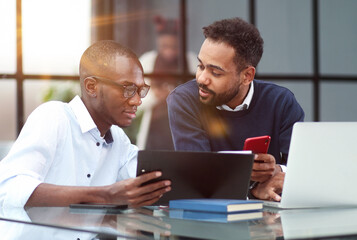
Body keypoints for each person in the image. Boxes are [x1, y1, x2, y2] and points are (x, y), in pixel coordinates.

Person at [0, 40, 171, 208]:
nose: (137, 101)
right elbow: (9, 187)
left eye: (141, 90)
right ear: (91, 87)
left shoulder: (118, 140)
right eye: (128, 88)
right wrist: (105, 196)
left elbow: (156, 182)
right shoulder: (54, 117)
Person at [166, 18, 304, 201]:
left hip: (271, 223)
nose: (202, 79)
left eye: (215, 73)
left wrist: (277, 171)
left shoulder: (281, 102)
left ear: (247, 75)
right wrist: (253, 188)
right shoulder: (184, 100)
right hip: (207, 220)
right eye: (200, 66)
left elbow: (302, 169)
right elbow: (197, 176)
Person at [135, 15, 197, 150]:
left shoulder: (191, 61)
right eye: (165, 46)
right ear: (158, 43)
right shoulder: (148, 61)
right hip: (154, 132)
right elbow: (134, 100)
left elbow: (201, 96)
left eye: (174, 47)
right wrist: (155, 96)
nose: (169, 51)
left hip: (185, 127)